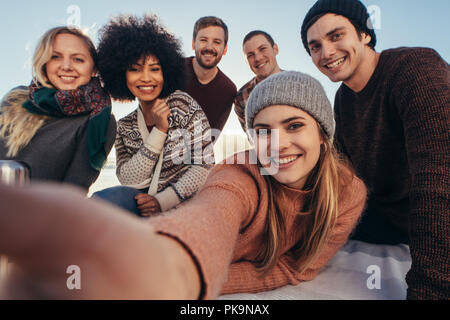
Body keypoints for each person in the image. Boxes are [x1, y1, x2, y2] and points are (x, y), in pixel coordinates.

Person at [0, 71, 366, 299]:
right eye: (263, 132)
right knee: (104, 205)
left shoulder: (349, 194)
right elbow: (213, 209)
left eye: (295, 125)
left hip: (169, 203)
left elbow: (297, 269)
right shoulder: (240, 174)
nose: (278, 144)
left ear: (324, 133)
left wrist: (165, 206)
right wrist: (169, 265)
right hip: (166, 216)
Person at [301, 0, 450, 299]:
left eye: (336, 36)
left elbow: (439, 178)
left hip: (429, 218)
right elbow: (344, 178)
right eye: (314, 46)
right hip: (386, 218)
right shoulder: (343, 99)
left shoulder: (416, 70)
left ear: (365, 34)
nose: (326, 52)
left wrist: (429, 290)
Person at [92, 15, 214, 216]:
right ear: (122, 75)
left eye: (155, 69)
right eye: (135, 70)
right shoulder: (124, 125)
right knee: (98, 203)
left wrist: (161, 201)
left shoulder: (183, 104)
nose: (146, 78)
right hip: (138, 206)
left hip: (184, 207)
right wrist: (160, 131)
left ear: (165, 72)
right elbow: (128, 180)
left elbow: (204, 165)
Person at [0, 26, 116, 193]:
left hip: (36, 215)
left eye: (78, 59)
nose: (66, 66)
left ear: (94, 69)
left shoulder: (99, 120)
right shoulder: (16, 98)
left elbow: (73, 193)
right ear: (45, 63)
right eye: (55, 57)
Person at [184, 16, 237, 134]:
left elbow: (210, 138)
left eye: (217, 42)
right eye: (203, 40)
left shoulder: (228, 90)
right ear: (193, 44)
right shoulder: (172, 68)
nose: (209, 47)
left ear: (225, 49)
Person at [234, 30, 282, 132]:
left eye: (263, 49)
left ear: (275, 49)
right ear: (246, 61)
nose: (258, 58)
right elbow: (254, 140)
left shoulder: (302, 85)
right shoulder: (241, 97)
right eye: (250, 55)